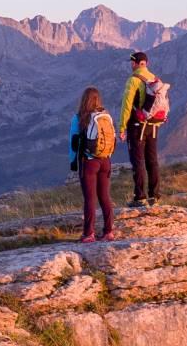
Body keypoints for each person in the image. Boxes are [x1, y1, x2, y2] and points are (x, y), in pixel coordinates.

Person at [70, 86, 116, 241]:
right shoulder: (105, 116)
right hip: (106, 161)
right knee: (105, 196)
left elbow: (74, 143)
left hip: (88, 162)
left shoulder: (79, 118)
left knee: (90, 198)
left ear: (84, 100)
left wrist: (73, 162)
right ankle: (109, 231)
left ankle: (89, 233)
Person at [118, 51, 164, 206]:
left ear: (134, 63)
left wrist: (122, 127)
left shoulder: (133, 80)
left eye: (131, 63)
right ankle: (155, 195)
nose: (131, 65)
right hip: (154, 125)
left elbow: (126, 105)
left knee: (138, 160)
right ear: (147, 63)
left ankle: (140, 197)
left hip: (137, 126)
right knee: (152, 160)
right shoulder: (154, 78)